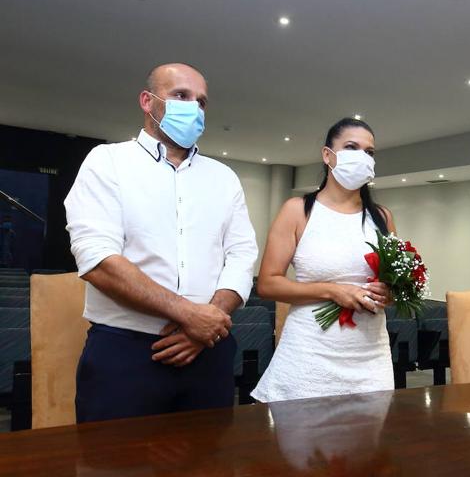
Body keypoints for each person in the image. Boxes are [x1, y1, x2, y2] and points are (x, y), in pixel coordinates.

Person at [65, 63, 258, 422]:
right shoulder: (107, 162)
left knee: (206, 464)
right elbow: (98, 259)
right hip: (125, 353)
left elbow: (242, 254)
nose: (194, 108)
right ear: (147, 101)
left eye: (201, 101)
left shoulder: (224, 177)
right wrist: (190, 317)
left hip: (208, 353)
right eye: (181, 96)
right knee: (112, 463)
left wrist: (208, 324)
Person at [252, 117, 395, 402]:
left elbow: (391, 287)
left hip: (370, 356)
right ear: (327, 155)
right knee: (301, 443)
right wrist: (332, 290)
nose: (362, 157)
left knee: (368, 443)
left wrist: (388, 292)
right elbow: (267, 285)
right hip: (310, 353)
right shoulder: (298, 210)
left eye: (369, 152)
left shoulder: (381, 217)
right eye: (351, 147)